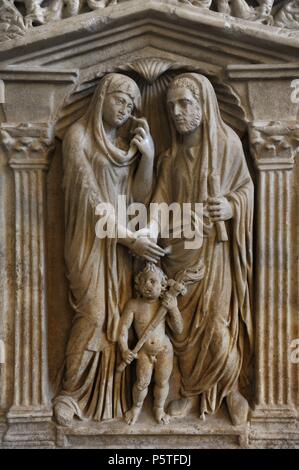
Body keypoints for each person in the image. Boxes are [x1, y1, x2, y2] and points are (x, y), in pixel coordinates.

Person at [54, 73, 165, 426]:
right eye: (120, 100)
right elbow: (90, 199)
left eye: (131, 105)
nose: (125, 109)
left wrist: (146, 157)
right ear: (102, 96)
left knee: (118, 317)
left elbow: (138, 198)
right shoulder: (79, 138)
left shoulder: (123, 146)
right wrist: (129, 238)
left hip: (118, 246)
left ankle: (108, 400)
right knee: (94, 315)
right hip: (89, 240)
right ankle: (69, 393)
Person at [150, 73, 254, 425]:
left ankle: (231, 390)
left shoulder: (227, 146)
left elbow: (246, 189)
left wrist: (231, 206)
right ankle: (191, 393)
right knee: (183, 331)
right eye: (171, 106)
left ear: (203, 105)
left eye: (185, 104)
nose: (177, 112)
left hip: (215, 253)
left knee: (215, 324)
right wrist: (147, 233)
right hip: (180, 252)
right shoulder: (170, 158)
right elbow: (159, 203)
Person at [118, 263, 183, 425]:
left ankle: (159, 408)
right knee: (141, 383)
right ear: (138, 285)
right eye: (144, 281)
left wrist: (174, 309)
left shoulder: (164, 304)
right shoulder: (134, 305)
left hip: (164, 349)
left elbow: (179, 329)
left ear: (162, 286)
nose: (148, 285)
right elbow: (123, 329)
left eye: (153, 281)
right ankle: (136, 407)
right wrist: (124, 349)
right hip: (144, 352)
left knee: (162, 382)